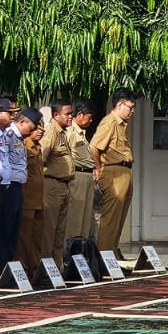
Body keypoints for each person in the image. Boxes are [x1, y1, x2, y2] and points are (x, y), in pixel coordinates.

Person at [0, 103, 26, 280]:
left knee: (10, 231)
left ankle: (4, 271)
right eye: (9, 113)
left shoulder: (4, 135)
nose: (13, 116)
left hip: (9, 186)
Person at [92, 90, 136, 256]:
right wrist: (97, 167)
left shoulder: (121, 125)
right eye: (130, 107)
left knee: (119, 216)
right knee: (110, 218)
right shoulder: (109, 122)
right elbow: (94, 147)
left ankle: (112, 253)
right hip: (113, 171)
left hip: (124, 171)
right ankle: (105, 256)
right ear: (119, 105)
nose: (132, 111)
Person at [38, 101, 75, 266]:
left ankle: (56, 267)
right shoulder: (51, 132)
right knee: (49, 231)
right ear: (55, 115)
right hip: (52, 185)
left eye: (71, 113)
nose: (70, 117)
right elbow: (41, 157)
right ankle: (45, 267)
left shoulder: (62, 132)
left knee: (60, 231)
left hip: (63, 186)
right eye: (67, 114)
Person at [13, 108, 46, 270]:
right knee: (23, 238)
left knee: (36, 237)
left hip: (38, 200)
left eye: (42, 128)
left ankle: (34, 267)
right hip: (26, 199)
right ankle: (23, 269)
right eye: (35, 128)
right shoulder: (23, 144)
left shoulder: (38, 147)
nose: (39, 131)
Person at [65, 101, 98, 242]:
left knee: (85, 219)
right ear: (79, 114)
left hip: (87, 177)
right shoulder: (70, 132)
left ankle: (82, 250)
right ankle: (71, 251)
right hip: (77, 175)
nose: (90, 121)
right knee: (75, 218)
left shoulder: (81, 133)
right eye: (88, 117)